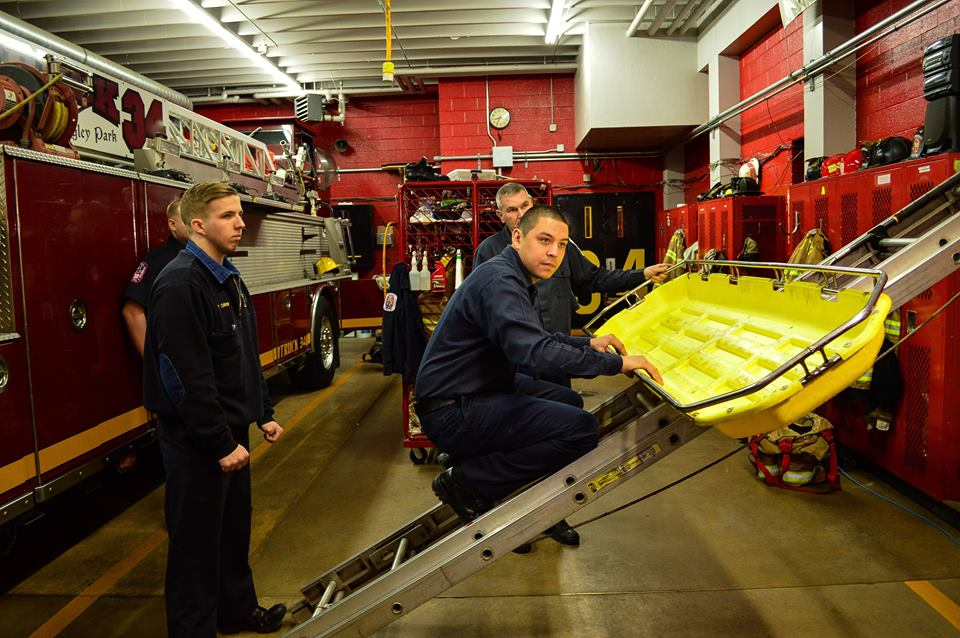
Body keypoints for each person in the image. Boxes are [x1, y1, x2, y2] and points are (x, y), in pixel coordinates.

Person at [416, 205, 662, 548]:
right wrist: (615, 365)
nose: (554, 253)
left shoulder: (512, 276)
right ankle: (470, 479)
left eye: (561, 245)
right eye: (544, 240)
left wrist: (589, 343)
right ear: (517, 237)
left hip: (474, 390)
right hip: (453, 410)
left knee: (567, 400)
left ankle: (481, 466)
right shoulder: (501, 281)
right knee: (580, 430)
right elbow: (534, 353)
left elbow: (537, 338)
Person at [143, 182, 286, 637]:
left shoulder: (228, 276)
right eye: (228, 215)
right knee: (196, 544)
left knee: (231, 530)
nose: (241, 222)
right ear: (197, 224)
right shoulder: (181, 284)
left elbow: (243, 353)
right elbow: (184, 376)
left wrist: (262, 411)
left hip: (230, 432)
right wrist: (219, 442)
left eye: (239, 213)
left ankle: (236, 612)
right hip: (198, 442)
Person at [474, 183, 670, 336]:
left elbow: (595, 278)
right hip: (514, 364)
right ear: (500, 215)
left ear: (532, 203)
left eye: (525, 205)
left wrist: (642, 274)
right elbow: (480, 310)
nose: (522, 214)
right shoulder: (488, 252)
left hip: (557, 352)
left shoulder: (560, 245)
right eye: (512, 210)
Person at [122, 197, 189, 357]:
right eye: (188, 219)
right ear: (172, 224)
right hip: (175, 360)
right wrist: (154, 363)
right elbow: (132, 312)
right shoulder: (157, 261)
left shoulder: (206, 259)